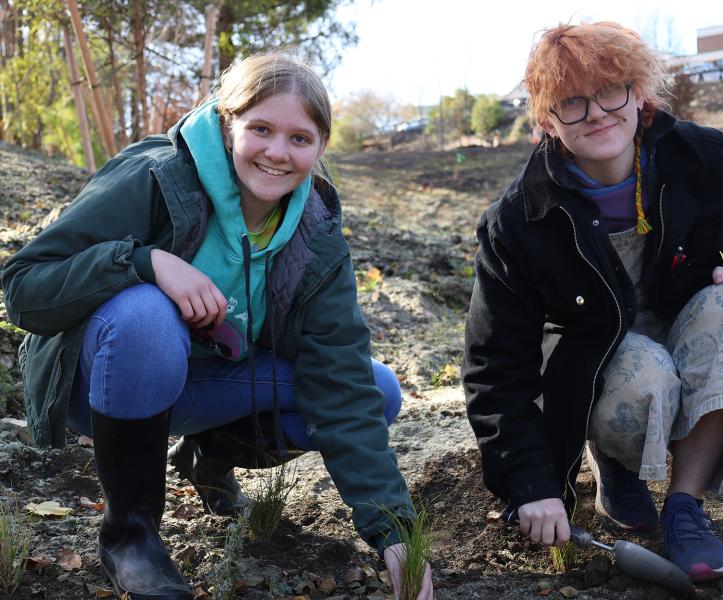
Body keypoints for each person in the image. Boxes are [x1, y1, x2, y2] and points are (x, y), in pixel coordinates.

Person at [2, 53, 433, 600]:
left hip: (209, 388)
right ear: (229, 124)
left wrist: (394, 535)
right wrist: (144, 263)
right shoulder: (155, 175)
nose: (278, 152)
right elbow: (23, 287)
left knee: (376, 389)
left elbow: (340, 379)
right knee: (146, 315)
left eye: (300, 138)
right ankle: (130, 535)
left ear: (321, 146)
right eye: (261, 129)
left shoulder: (317, 233)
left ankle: (210, 455)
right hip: (105, 384)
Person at [462, 21, 723, 583]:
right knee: (645, 372)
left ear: (638, 94)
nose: (596, 113)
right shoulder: (517, 222)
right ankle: (615, 466)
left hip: (689, 324)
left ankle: (685, 507)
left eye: (610, 90)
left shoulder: (709, 159)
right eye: (571, 102)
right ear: (546, 121)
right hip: (599, 359)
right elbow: (494, 367)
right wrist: (531, 484)